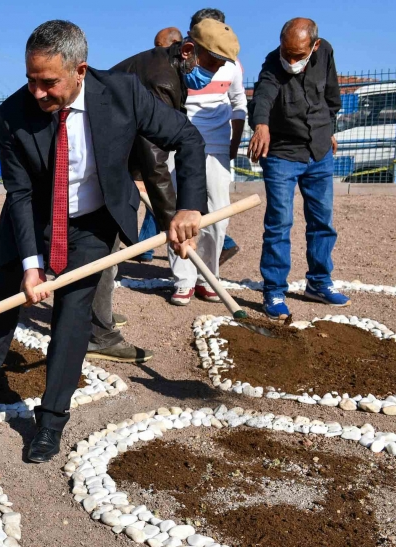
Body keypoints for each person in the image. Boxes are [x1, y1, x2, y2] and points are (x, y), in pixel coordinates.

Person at [0, 20, 207, 462]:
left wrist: (187, 207)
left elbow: (187, 137)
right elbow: (20, 193)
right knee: (0, 301)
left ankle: (50, 422)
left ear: (80, 71)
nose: (37, 92)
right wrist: (31, 265)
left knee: (72, 312)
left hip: (93, 220)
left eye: (48, 82)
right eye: (31, 79)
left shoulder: (123, 93)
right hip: (30, 216)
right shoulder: (14, 112)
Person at [87, 18, 237, 360]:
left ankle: (98, 314)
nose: (213, 74)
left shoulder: (172, 70)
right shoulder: (161, 79)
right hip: (96, 162)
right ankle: (97, 331)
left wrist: (184, 210)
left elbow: (176, 141)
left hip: (112, 158)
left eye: (220, 67)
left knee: (107, 246)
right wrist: (176, 224)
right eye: (211, 63)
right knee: (103, 246)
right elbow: (156, 162)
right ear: (188, 51)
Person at [249, 18, 348, 319]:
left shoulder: (325, 52)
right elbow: (263, 94)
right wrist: (261, 125)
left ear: (314, 45)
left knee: (322, 221)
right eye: (286, 53)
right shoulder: (272, 62)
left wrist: (327, 129)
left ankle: (318, 283)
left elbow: (331, 96)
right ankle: (274, 291)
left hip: (319, 151)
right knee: (279, 223)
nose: (291, 60)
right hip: (281, 153)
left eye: (298, 55)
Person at [169, 8, 248, 305]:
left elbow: (239, 102)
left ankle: (207, 277)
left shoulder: (232, 64)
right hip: (177, 143)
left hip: (215, 145)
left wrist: (234, 143)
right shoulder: (178, 61)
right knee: (178, 212)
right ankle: (183, 279)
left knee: (216, 217)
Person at [135, 25, 184, 263]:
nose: (153, 51)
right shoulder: (159, 76)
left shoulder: (170, 75)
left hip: (162, 151)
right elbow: (147, 140)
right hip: (145, 153)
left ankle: (144, 245)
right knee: (159, 193)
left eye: (158, 46)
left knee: (162, 193)